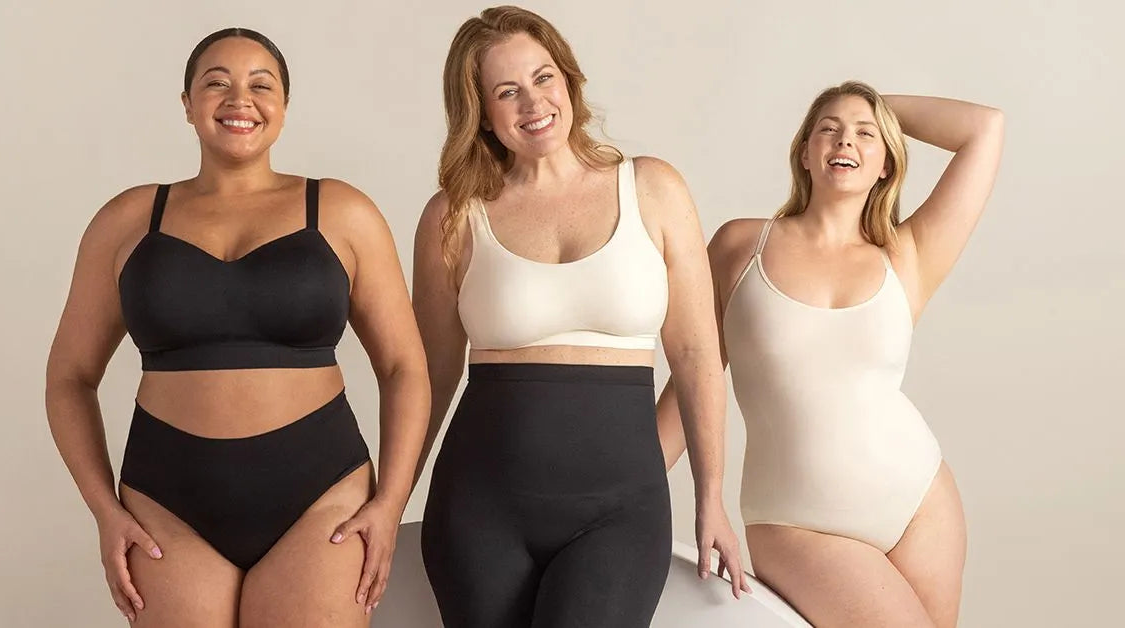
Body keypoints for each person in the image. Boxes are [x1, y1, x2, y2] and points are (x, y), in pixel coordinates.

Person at [44, 27, 429, 626]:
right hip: (166, 504)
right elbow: (69, 377)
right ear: (187, 103)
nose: (239, 99)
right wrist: (104, 511)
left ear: (284, 105)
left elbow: (404, 367)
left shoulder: (342, 211)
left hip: (321, 498)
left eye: (260, 85)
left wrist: (390, 503)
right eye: (216, 83)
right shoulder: (126, 220)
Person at [412, 7, 748, 627]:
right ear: (480, 112)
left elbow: (697, 357)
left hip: (619, 513)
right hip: (478, 512)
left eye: (543, 78)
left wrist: (712, 498)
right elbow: (427, 378)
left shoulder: (653, 188)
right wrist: (388, 503)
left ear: (568, 80)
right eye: (506, 91)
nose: (532, 102)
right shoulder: (453, 216)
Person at [656, 81, 1004, 627]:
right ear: (804, 153)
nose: (845, 141)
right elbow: (693, 377)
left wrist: (875, 105)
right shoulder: (740, 246)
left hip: (920, 502)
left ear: (886, 164)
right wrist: (619, 499)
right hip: (797, 521)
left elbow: (985, 128)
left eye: (865, 135)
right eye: (829, 129)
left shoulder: (908, 255)